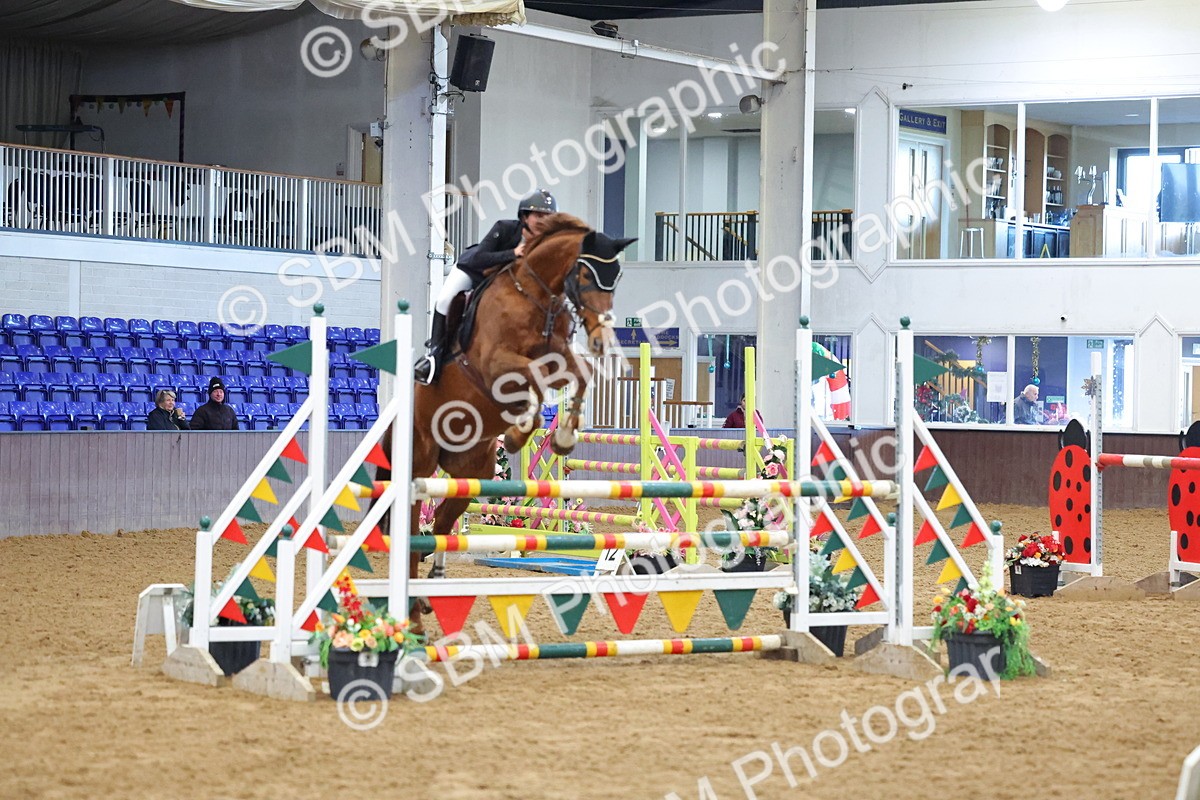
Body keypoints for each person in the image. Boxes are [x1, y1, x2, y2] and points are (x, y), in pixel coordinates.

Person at [414, 188, 559, 385]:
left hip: (501, 285)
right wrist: (513, 253)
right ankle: (434, 356)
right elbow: (480, 257)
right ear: (525, 217)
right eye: (538, 215)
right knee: (445, 300)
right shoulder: (505, 228)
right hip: (473, 270)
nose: (543, 221)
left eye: (548, 217)